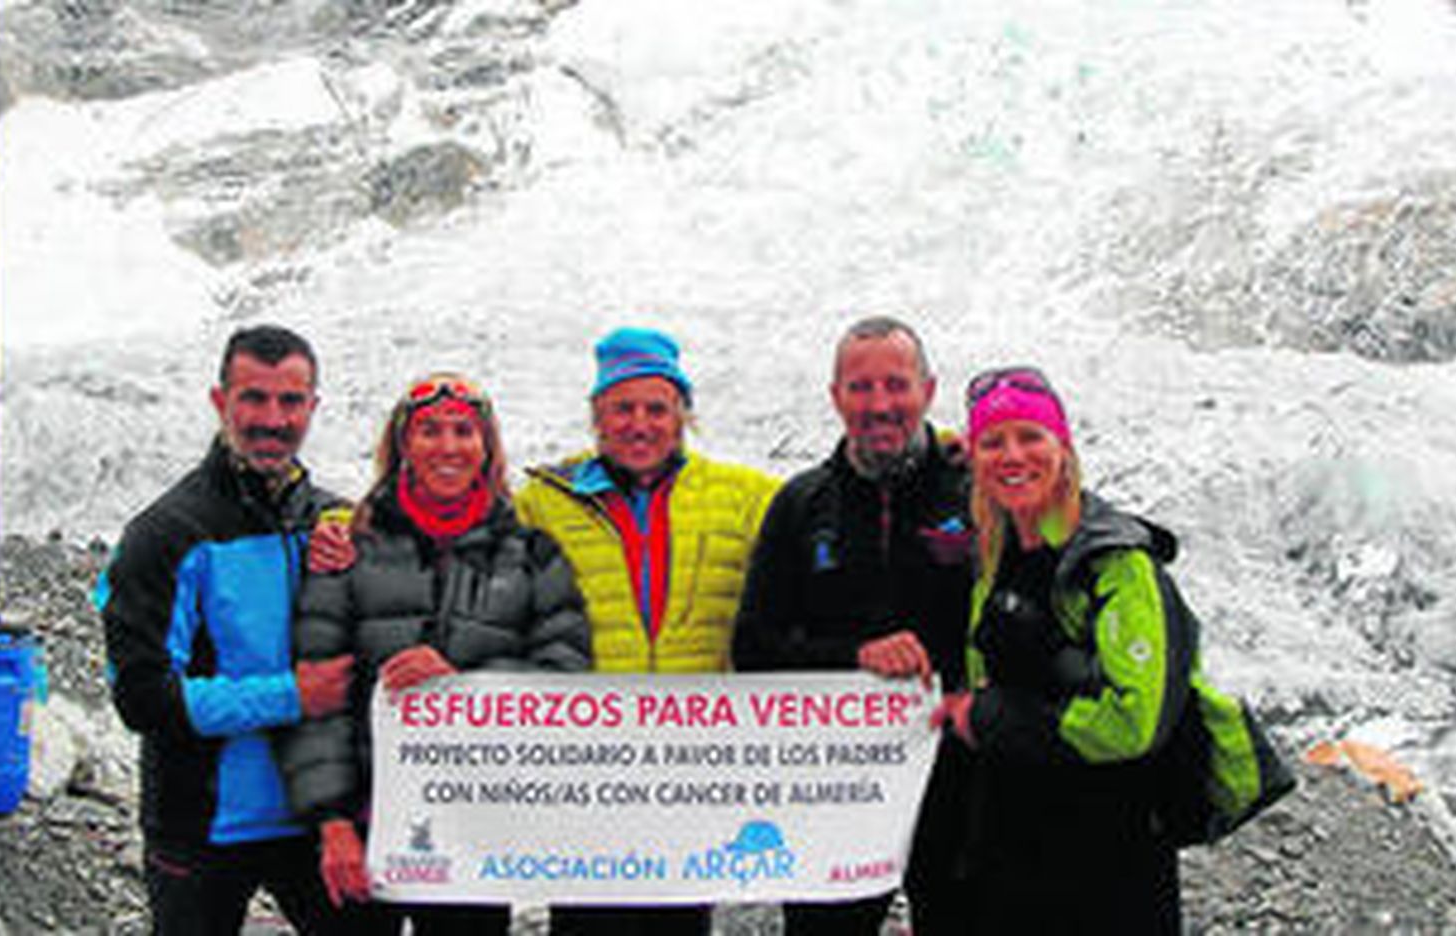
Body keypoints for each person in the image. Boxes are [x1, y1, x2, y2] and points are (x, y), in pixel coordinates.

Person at [277, 372, 590, 933]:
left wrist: (465, 685)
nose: (448, 447)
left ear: (486, 447)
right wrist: (332, 823)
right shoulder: (349, 549)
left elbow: (565, 675)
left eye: (464, 431)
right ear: (403, 444)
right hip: (367, 826)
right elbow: (316, 695)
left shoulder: (531, 554)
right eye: (430, 431)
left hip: (474, 827)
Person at [515, 327, 779, 934]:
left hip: (690, 771)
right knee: (585, 921)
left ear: (683, 414)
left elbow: (829, 505)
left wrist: (939, 460)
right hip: (585, 775)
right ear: (597, 416)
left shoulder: (743, 496)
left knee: (680, 920)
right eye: (622, 408)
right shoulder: (542, 503)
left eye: (657, 409)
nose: (640, 425)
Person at [101, 325, 353, 935]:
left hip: (318, 821)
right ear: (221, 402)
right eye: (254, 398)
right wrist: (292, 695)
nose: (273, 419)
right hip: (201, 824)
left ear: (313, 407)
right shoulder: (165, 535)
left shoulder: (336, 523)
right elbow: (143, 696)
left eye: (290, 401)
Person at [731, 315, 973, 934]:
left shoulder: (977, 493)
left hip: (961, 777)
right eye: (861, 387)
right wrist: (855, 655)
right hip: (839, 787)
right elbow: (753, 647)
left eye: (897, 385)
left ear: (929, 390)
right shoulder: (802, 502)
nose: (879, 404)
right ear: (835, 396)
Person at [930, 366, 1188, 933]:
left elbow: (1134, 721)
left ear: (1063, 447)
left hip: (1109, 854)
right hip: (1015, 841)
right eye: (993, 443)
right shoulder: (998, 552)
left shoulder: (1116, 561)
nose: (1012, 456)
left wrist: (988, 717)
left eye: (1030, 436)